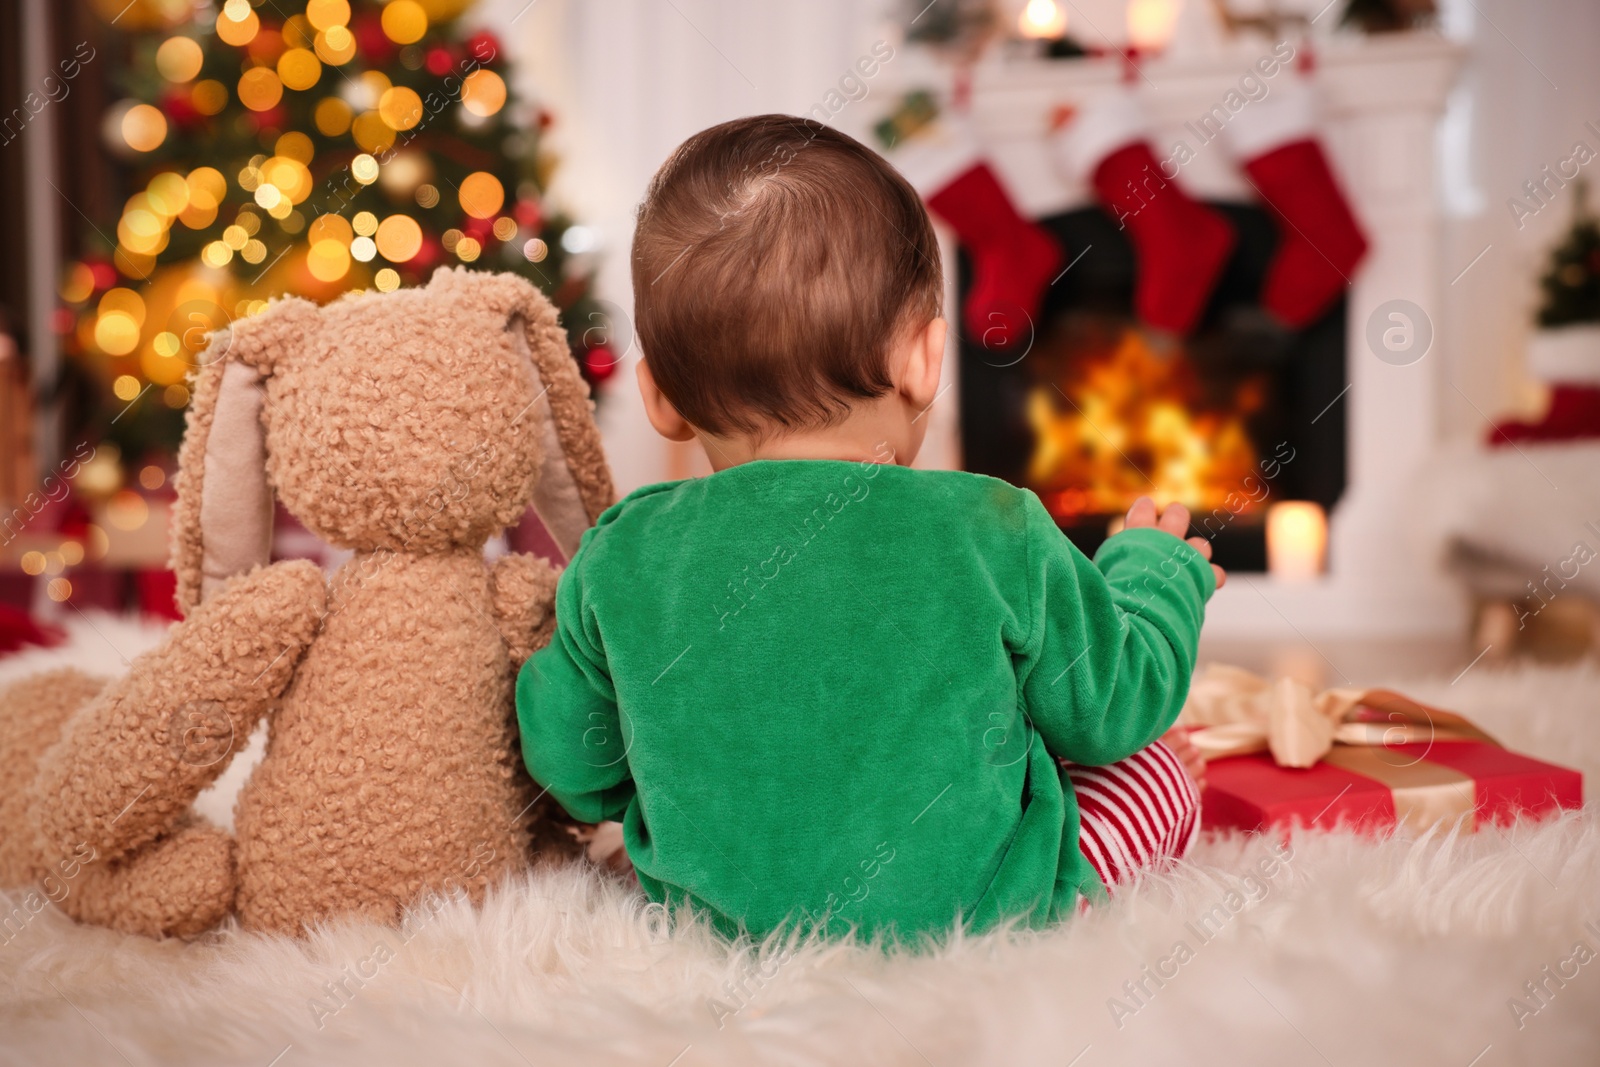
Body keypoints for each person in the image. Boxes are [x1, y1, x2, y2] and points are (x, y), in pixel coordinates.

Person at [517, 114, 1222, 942]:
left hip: (716, 929)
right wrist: (1154, 573)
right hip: (982, 923)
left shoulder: (622, 551)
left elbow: (574, 763)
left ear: (659, 395)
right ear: (925, 360)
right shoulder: (992, 524)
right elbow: (1113, 706)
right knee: (1154, 769)